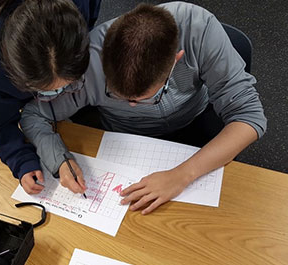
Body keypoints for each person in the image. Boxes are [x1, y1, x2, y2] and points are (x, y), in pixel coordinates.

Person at [16, 2, 267, 213]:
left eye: (141, 99)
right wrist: (59, 160)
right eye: (119, 96)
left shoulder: (199, 29)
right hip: (126, 139)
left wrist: (182, 176)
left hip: (197, 121)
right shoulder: (86, 63)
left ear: (175, 61)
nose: (132, 105)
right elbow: (33, 114)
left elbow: (250, 117)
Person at [0, 0, 101, 194]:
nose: (61, 94)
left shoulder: (79, 9)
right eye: (49, 89)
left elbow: (90, 15)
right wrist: (20, 159)